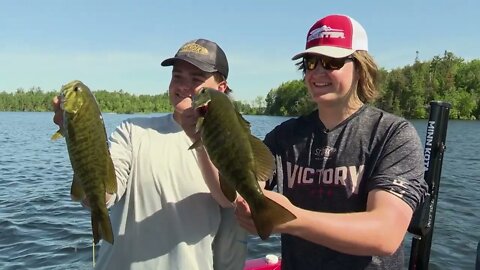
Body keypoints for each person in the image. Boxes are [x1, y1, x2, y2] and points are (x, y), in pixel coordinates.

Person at [235, 14, 428, 269]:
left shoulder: (392, 134)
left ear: (360, 67)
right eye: (310, 62)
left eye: (331, 62)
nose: (317, 72)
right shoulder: (284, 136)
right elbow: (247, 186)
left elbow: (385, 233)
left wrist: (290, 219)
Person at [52, 38, 247, 270]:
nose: (183, 86)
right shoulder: (132, 130)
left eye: (196, 79)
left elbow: (228, 199)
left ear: (221, 88)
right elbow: (104, 196)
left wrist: (199, 138)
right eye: (177, 76)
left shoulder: (236, 145)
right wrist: (78, 136)